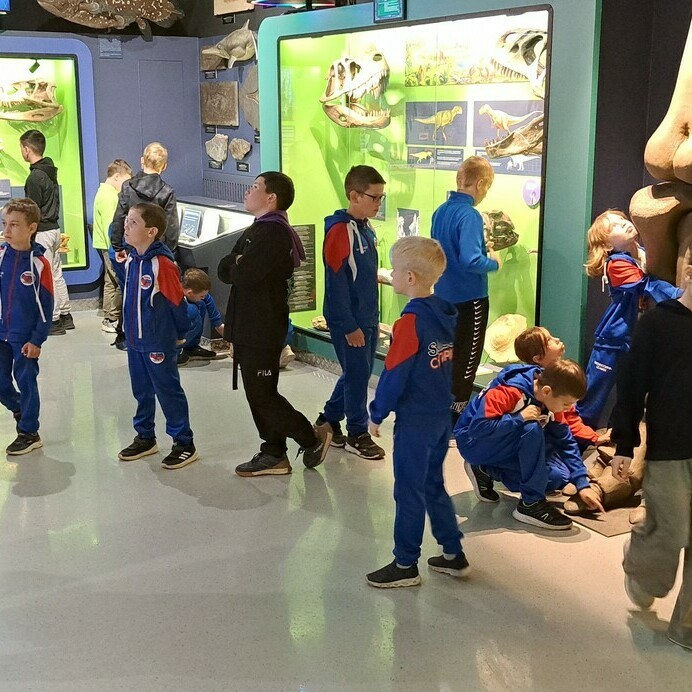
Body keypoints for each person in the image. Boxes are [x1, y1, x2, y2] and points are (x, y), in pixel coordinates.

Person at [366, 237, 468, 588]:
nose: (391, 274)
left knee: (408, 490)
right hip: (440, 415)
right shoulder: (444, 314)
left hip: (415, 420)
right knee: (433, 484)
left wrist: (377, 412)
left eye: (394, 270)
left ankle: (405, 563)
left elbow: (395, 372)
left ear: (409, 277)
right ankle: (452, 552)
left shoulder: (410, 321)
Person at [218, 172, 331, 477]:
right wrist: (237, 261)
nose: (248, 191)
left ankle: (309, 437)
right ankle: (273, 451)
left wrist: (238, 262)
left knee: (263, 394)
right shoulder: (258, 229)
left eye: (255, 187)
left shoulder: (273, 233)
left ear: (271, 198)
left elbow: (243, 274)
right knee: (257, 393)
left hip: (262, 328)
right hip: (249, 326)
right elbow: (224, 267)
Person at [610, 262, 692, 650]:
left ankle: (686, 627)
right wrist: (624, 444)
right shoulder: (659, 323)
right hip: (670, 449)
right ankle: (641, 561)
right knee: (673, 531)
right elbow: (631, 384)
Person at [455, 359, 604, 530]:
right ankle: (530, 504)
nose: (567, 409)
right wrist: (518, 419)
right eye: (566, 404)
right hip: (472, 443)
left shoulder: (550, 398)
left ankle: (484, 469)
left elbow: (565, 441)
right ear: (547, 391)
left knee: (555, 478)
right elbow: (477, 428)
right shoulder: (510, 390)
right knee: (531, 429)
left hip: (499, 442)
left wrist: (582, 484)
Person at [577, 210, 682, 428]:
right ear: (607, 244)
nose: (623, 224)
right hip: (613, 339)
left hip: (633, 338)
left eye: (622, 220)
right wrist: (680, 296)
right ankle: (578, 438)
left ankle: (617, 435)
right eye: (614, 226)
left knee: (630, 389)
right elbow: (646, 284)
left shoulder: (642, 255)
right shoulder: (616, 264)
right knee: (596, 390)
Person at [118, 203, 198, 469]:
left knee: (167, 390)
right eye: (127, 220)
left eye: (133, 223)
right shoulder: (132, 259)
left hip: (158, 341)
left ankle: (184, 442)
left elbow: (177, 302)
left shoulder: (162, 264)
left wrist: (180, 334)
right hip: (134, 340)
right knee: (141, 390)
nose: (126, 226)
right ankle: (145, 436)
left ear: (151, 231)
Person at [315, 165, 386, 460]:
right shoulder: (339, 231)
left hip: (367, 318)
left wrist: (372, 318)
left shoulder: (366, 228)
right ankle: (357, 432)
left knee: (358, 372)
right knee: (357, 377)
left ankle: (329, 419)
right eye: (374, 197)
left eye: (382, 197)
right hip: (350, 321)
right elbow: (336, 283)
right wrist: (348, 325)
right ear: (355, 196)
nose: (379, 203)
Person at [431, 156, 501, 425]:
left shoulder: (441, 211)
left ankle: (439, 417)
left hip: (443, 296)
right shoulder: (469, 215)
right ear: (480, 183)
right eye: (487, 187)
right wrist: (493, 262)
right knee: (466, 363)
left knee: (445, 359)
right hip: (469, 300)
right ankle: (454, 423)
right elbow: (471, 260)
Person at [110, 142, 180, 350]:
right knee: (155, 295)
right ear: (164, 166)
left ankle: (125, 334)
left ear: (142, 161)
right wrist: (169, 253)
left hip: (131, 249)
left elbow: (119, 218)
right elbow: (171, 227)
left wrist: (117, 246)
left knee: (129, 289)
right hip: (156, 251)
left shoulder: (127, 187)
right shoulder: (167, 191)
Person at [0, 199, 53, 455]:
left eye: (14, 225)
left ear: (31, 228)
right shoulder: (1, 255)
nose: (7, 230)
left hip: (25, 337)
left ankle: (29, 432)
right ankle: (20, 408)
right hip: (1, 333)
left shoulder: (39, 263)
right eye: (4, 224)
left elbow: (46, 305)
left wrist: (37, 339)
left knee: (26, 381)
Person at [20, 129, 72, 336]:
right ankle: (65, 313)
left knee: (46, 275)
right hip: (54, 229)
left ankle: (53, 319)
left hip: (42, 232)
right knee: (56, 273)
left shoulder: (35, 177)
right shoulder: (50, 171)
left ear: (26, 149)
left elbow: (32, 210)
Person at [92, 159, 132, 334]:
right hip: (111, 245)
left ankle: (109, 317)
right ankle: (113, 318)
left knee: (110, 280)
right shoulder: (109, 197)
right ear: (116, 177)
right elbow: (112, 226)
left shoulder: (103, 192)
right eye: (125, 181)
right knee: (117, 281)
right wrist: (117, 247)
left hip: (104, 244)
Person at [178, 268, 225, 366]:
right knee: (192, 311)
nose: (204, 297)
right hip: (165, 337)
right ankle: (175, 352)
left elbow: (207, 299)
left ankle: (191, 347)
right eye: (201, 296)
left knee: (201, 304)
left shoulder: (193, 294)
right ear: (189, 293)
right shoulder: (173, 295)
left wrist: (219, 325)